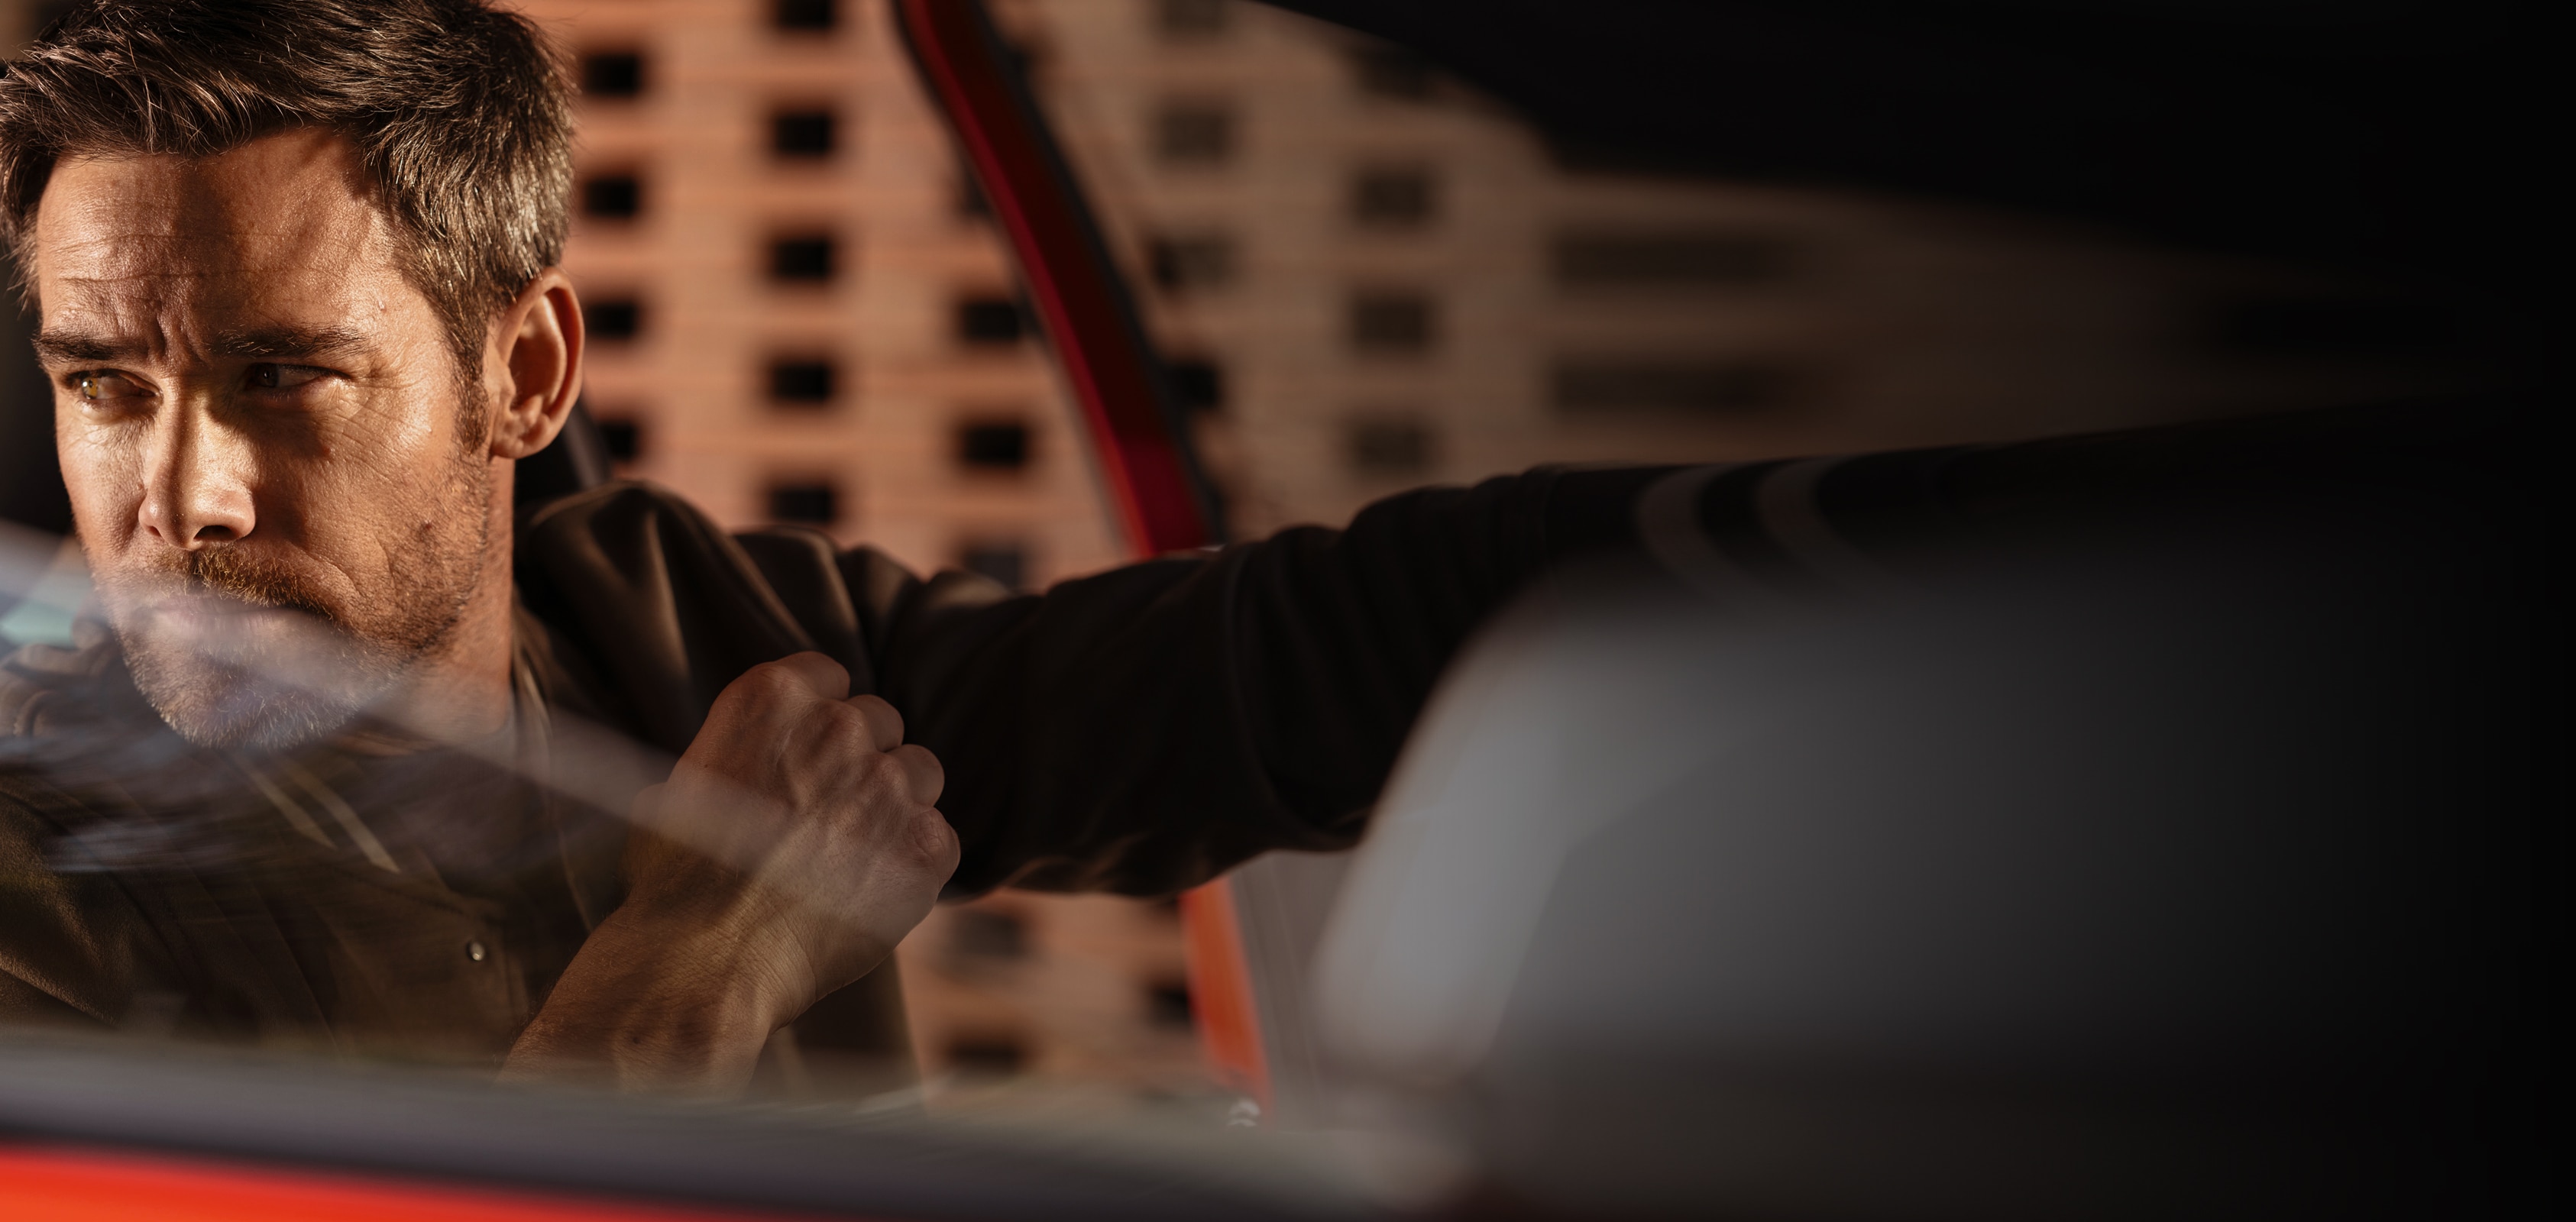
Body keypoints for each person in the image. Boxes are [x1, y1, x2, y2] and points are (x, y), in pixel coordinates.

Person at [0, 0, 1659, 1090]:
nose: (183, 493)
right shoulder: (27, 889)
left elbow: (1285, 669)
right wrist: (699, 953)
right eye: (103, 385)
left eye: (282, 378)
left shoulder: (696, 630)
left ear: (523, 374)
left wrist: (1802, 551)